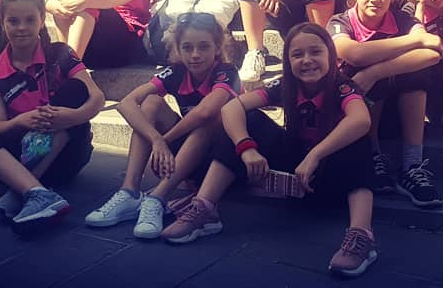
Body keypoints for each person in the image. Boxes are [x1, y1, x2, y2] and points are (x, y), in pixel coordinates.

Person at [159, 23, 379, 278]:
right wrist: (246, 148)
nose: (307, 60)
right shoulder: (285, 85)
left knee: (357, 139)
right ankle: (205, 209)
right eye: (297, 54)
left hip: (331, 176)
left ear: (331, 55)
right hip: (297, 174)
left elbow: (361, 120)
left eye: (315, 52)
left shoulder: (342, 87)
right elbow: (231, 108)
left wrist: (315, 155)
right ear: (288, 61)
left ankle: (361, 235)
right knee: (246, 120)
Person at [0, 0, 103, 228]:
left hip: (63, 158)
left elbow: (97, 97)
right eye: (13, 21)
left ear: (42, 21)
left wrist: (71, 117)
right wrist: (22, 121)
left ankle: (24, 189)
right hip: (18, 157)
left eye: (30, 20)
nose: (22, 27)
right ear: (2, 23)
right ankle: (35, 191)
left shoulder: (61, 53)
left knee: (76, 90)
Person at [85, 13, 239, 239]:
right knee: (151, 103)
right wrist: (156, 139)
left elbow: (205, 112)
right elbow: (126, 103)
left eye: (204, 47)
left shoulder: (227, 71)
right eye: (187, 48)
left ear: (217, 47)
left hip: (220, 163)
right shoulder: (176, 71)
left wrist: (164, 140)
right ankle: (130, 191)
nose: (195, 54)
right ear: (178, 49)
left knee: (208, 121)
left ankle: (157, 197)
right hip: (186, 155)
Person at [330, 0, 443, 208]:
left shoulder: (404, 21)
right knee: (371, 62)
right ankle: (372, 155)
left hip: (400, 112)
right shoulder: (339, 22)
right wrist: (416, 39)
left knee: (416, 71)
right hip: (353, 117)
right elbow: (356, 54)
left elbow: (434, 53)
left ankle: (412, 165)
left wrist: (375, 72)